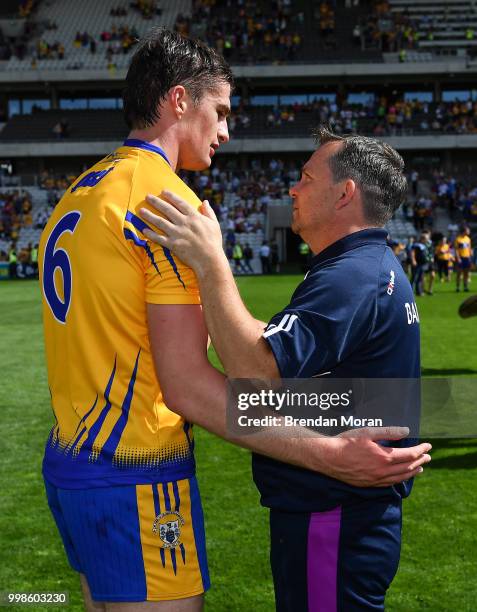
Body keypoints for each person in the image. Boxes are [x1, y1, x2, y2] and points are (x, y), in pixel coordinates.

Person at [38, 31, 430, 612]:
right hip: (138, 466)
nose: (226, 131)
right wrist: (329, 454)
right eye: (219, 111)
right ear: (178, 101)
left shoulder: (80, 191)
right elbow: (192, 388)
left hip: (71, 462)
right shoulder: (169, 206)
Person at [140, 127, 428, 611]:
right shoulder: (366, 266)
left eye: (306, 177)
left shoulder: (350, 277)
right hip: (345, 513)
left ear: (345, 193)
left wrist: (211, 262)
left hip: (332, 514)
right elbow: (282, 353)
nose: (293, 188)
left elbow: (257, 374)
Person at [455, 225, 472, 292]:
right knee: (459, 273)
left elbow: (469, 248)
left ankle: (465, 287)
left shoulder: (468, 239)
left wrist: (470, 256)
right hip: (461, 258)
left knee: (466, 273)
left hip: (467, 258)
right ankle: (458, 287)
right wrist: (458, 258)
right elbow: (456, 250)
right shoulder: (458, 239)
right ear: (464, 231)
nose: (469, 231)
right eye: (468, 230)